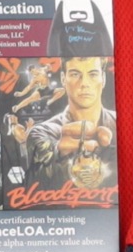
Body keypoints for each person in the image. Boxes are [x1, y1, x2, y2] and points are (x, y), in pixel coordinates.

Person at [25, 56, 117, 190]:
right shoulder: (41, 133)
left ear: (103, 78)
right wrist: (58, 153)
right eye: (75, 74)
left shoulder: (123, 125)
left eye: (93, 74)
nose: (84, 83)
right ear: (63, 79)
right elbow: (35, 183)